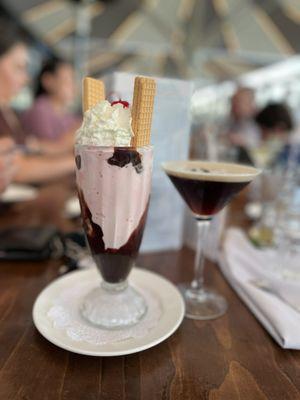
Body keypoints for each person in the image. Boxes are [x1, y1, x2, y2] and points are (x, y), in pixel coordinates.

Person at [0, 18, 74, 183]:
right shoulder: (40, 110)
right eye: (19, 67)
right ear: (48, 81)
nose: (26, 78)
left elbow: (31, 148)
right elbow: (20, 168)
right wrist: (79, 160)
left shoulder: (9, 112)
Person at [21, 57, 80, 146]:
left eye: (73, 80)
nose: (73, 87)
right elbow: (49, 149)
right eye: (67, 80)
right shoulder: (39, 110)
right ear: (48, 81)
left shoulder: (68, 116)